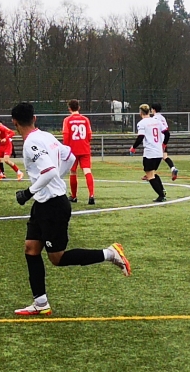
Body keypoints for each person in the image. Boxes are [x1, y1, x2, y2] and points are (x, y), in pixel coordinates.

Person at [9, 101, 130, 316]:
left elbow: (48, 171)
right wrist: (55, 179)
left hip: (53, 206)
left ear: (14, 122)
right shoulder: (46, 136)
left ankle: (110, 254)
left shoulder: (30, 143)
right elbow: (69, 156)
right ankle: (40, 302)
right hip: (43, 204)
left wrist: (28, 192)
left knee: (57, 258)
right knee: (31, 248)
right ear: (34, 118)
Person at [132, 103, 171, 202]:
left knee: (150, 176)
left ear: (141, 112)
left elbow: (140, 137)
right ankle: (162, 190)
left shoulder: (142, 123)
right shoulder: (156, 121)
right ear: (149, 111)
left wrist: (133, 147)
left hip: (150, 152)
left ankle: (161, 195)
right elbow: (167, 133)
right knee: (152, 173)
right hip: (159, 152)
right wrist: (164, 144)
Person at [61, 99, 95, 203]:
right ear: (79, 107)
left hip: (73, 150)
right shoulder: (85, 119)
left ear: (69, 108)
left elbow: (66, 136)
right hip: (85, 149)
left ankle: (74, 196)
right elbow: (89, 135)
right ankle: (91, 195)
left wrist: (66, 148)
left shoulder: (67, 120)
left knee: (73, 172)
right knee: (87, 171)